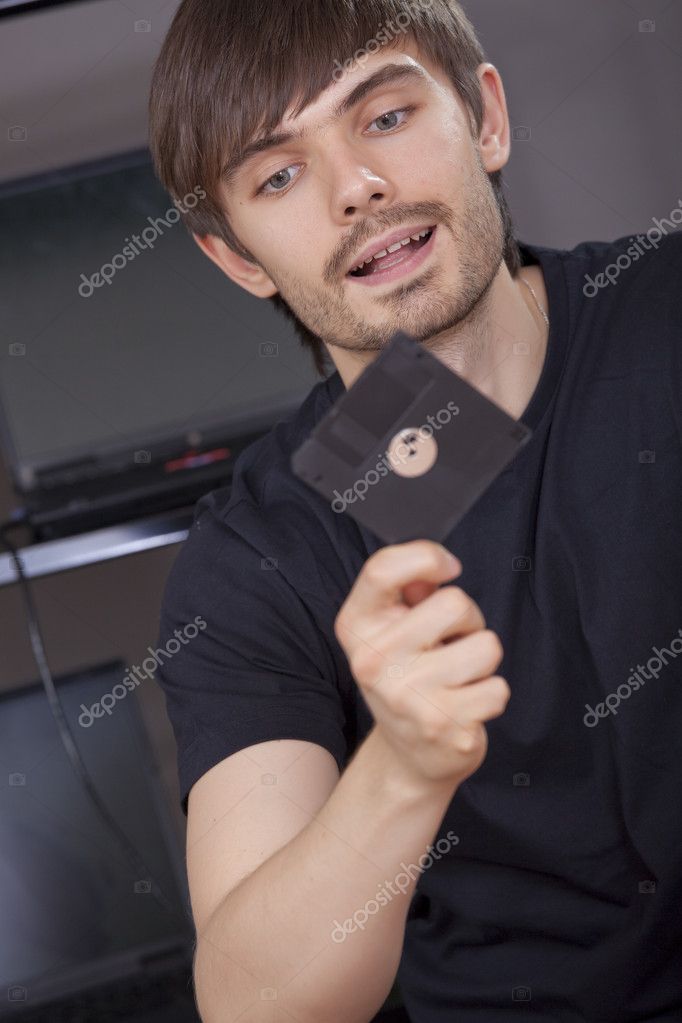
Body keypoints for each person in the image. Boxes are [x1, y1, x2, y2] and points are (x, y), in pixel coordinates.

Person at [148, 2, 682, 1020]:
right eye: (278, 176)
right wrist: (400, 767)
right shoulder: (253, 560)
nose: (358, 190)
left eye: (384, 117)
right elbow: (255, 1006)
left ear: (483, 117)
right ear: (239, 259)